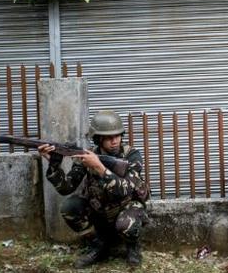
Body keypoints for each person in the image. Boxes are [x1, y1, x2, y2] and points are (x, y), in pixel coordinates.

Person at [38, 110, 149, 269]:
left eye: (117, 135)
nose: (115, 141)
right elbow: (66, 188)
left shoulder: (131, 156)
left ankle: (133, 246)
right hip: (100, 207)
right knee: (69, 208)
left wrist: (99, 167)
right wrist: (54, 164)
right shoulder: (87, 156)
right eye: (109, 137)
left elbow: (124, 190)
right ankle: (99, 244)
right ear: (98, 139)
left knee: (127, 225)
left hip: (126, 206)